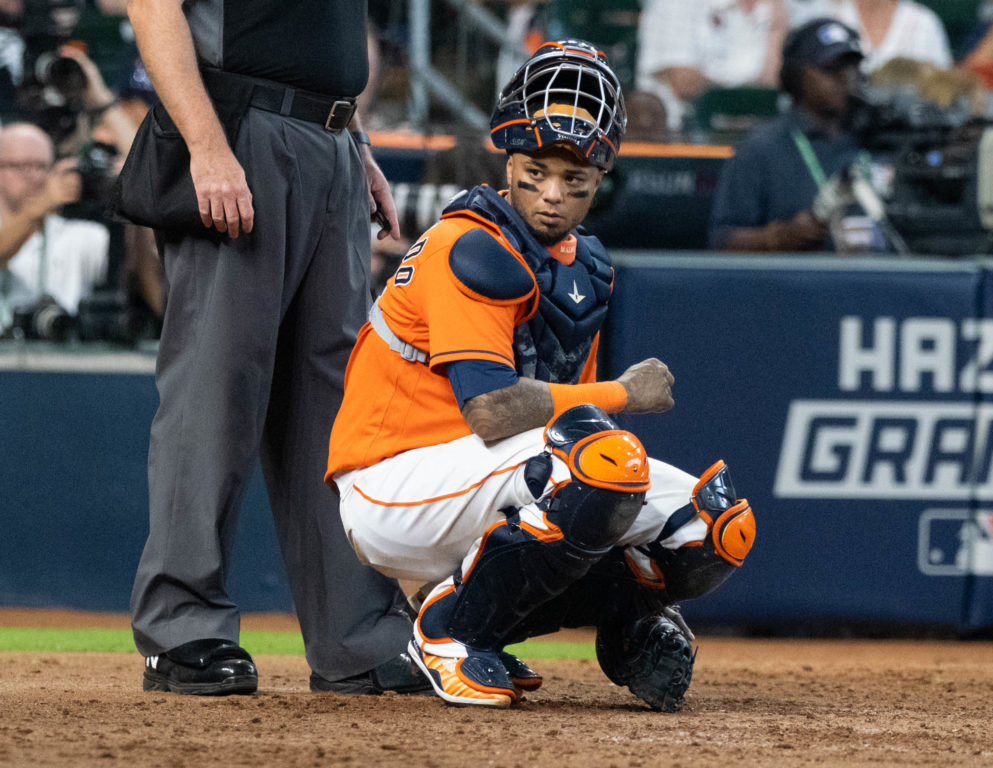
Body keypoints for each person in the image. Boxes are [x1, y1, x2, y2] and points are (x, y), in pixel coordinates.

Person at [323, 40, 757, 711]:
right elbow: (492, 410)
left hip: (486, 478)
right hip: (396, 478)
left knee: (713, 525)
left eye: (574, 181)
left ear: (600, 178)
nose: (553, 195)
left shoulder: (582, 265)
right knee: (599, 459)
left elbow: (561, 426)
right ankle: (450, 632)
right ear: (509, 159)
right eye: (536, 172)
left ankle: (623, 627)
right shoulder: (470, 245)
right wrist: (621, 393)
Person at [125, 0, 429, 697]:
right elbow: (153, 8)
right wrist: (204, 146)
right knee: (216, 391)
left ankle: (357, 640)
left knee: (334, 407)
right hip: (239, 132)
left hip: (329, 139)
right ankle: (182, 631)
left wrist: (357, 144)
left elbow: (316, 39)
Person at [708, 17, 890, 253]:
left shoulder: (882, 138)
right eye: (831, 69)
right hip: (800, 286)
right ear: (795, 76)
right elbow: (722, 242)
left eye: (853, 66)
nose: (846, 78)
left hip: (883, 282)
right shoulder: (760, 148)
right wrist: (778, 238)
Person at [0, 121, 108, 336]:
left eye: (41, 166)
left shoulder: (82, 235)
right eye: (21, 166)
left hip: (66, 356)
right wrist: (37, 209)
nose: (32, 176)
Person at [634, 0, 788, 131]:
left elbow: (782, 83)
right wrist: (758, 88)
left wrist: (777, 28)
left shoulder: (782, 7)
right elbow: (684, 83)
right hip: (679, 142)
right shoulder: (676, 3)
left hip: (757, 140)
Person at [786, 0, 952, 73]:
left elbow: (942, 93)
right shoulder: (820, 13)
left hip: (906, 137)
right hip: (833, 138)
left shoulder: (925, 23)